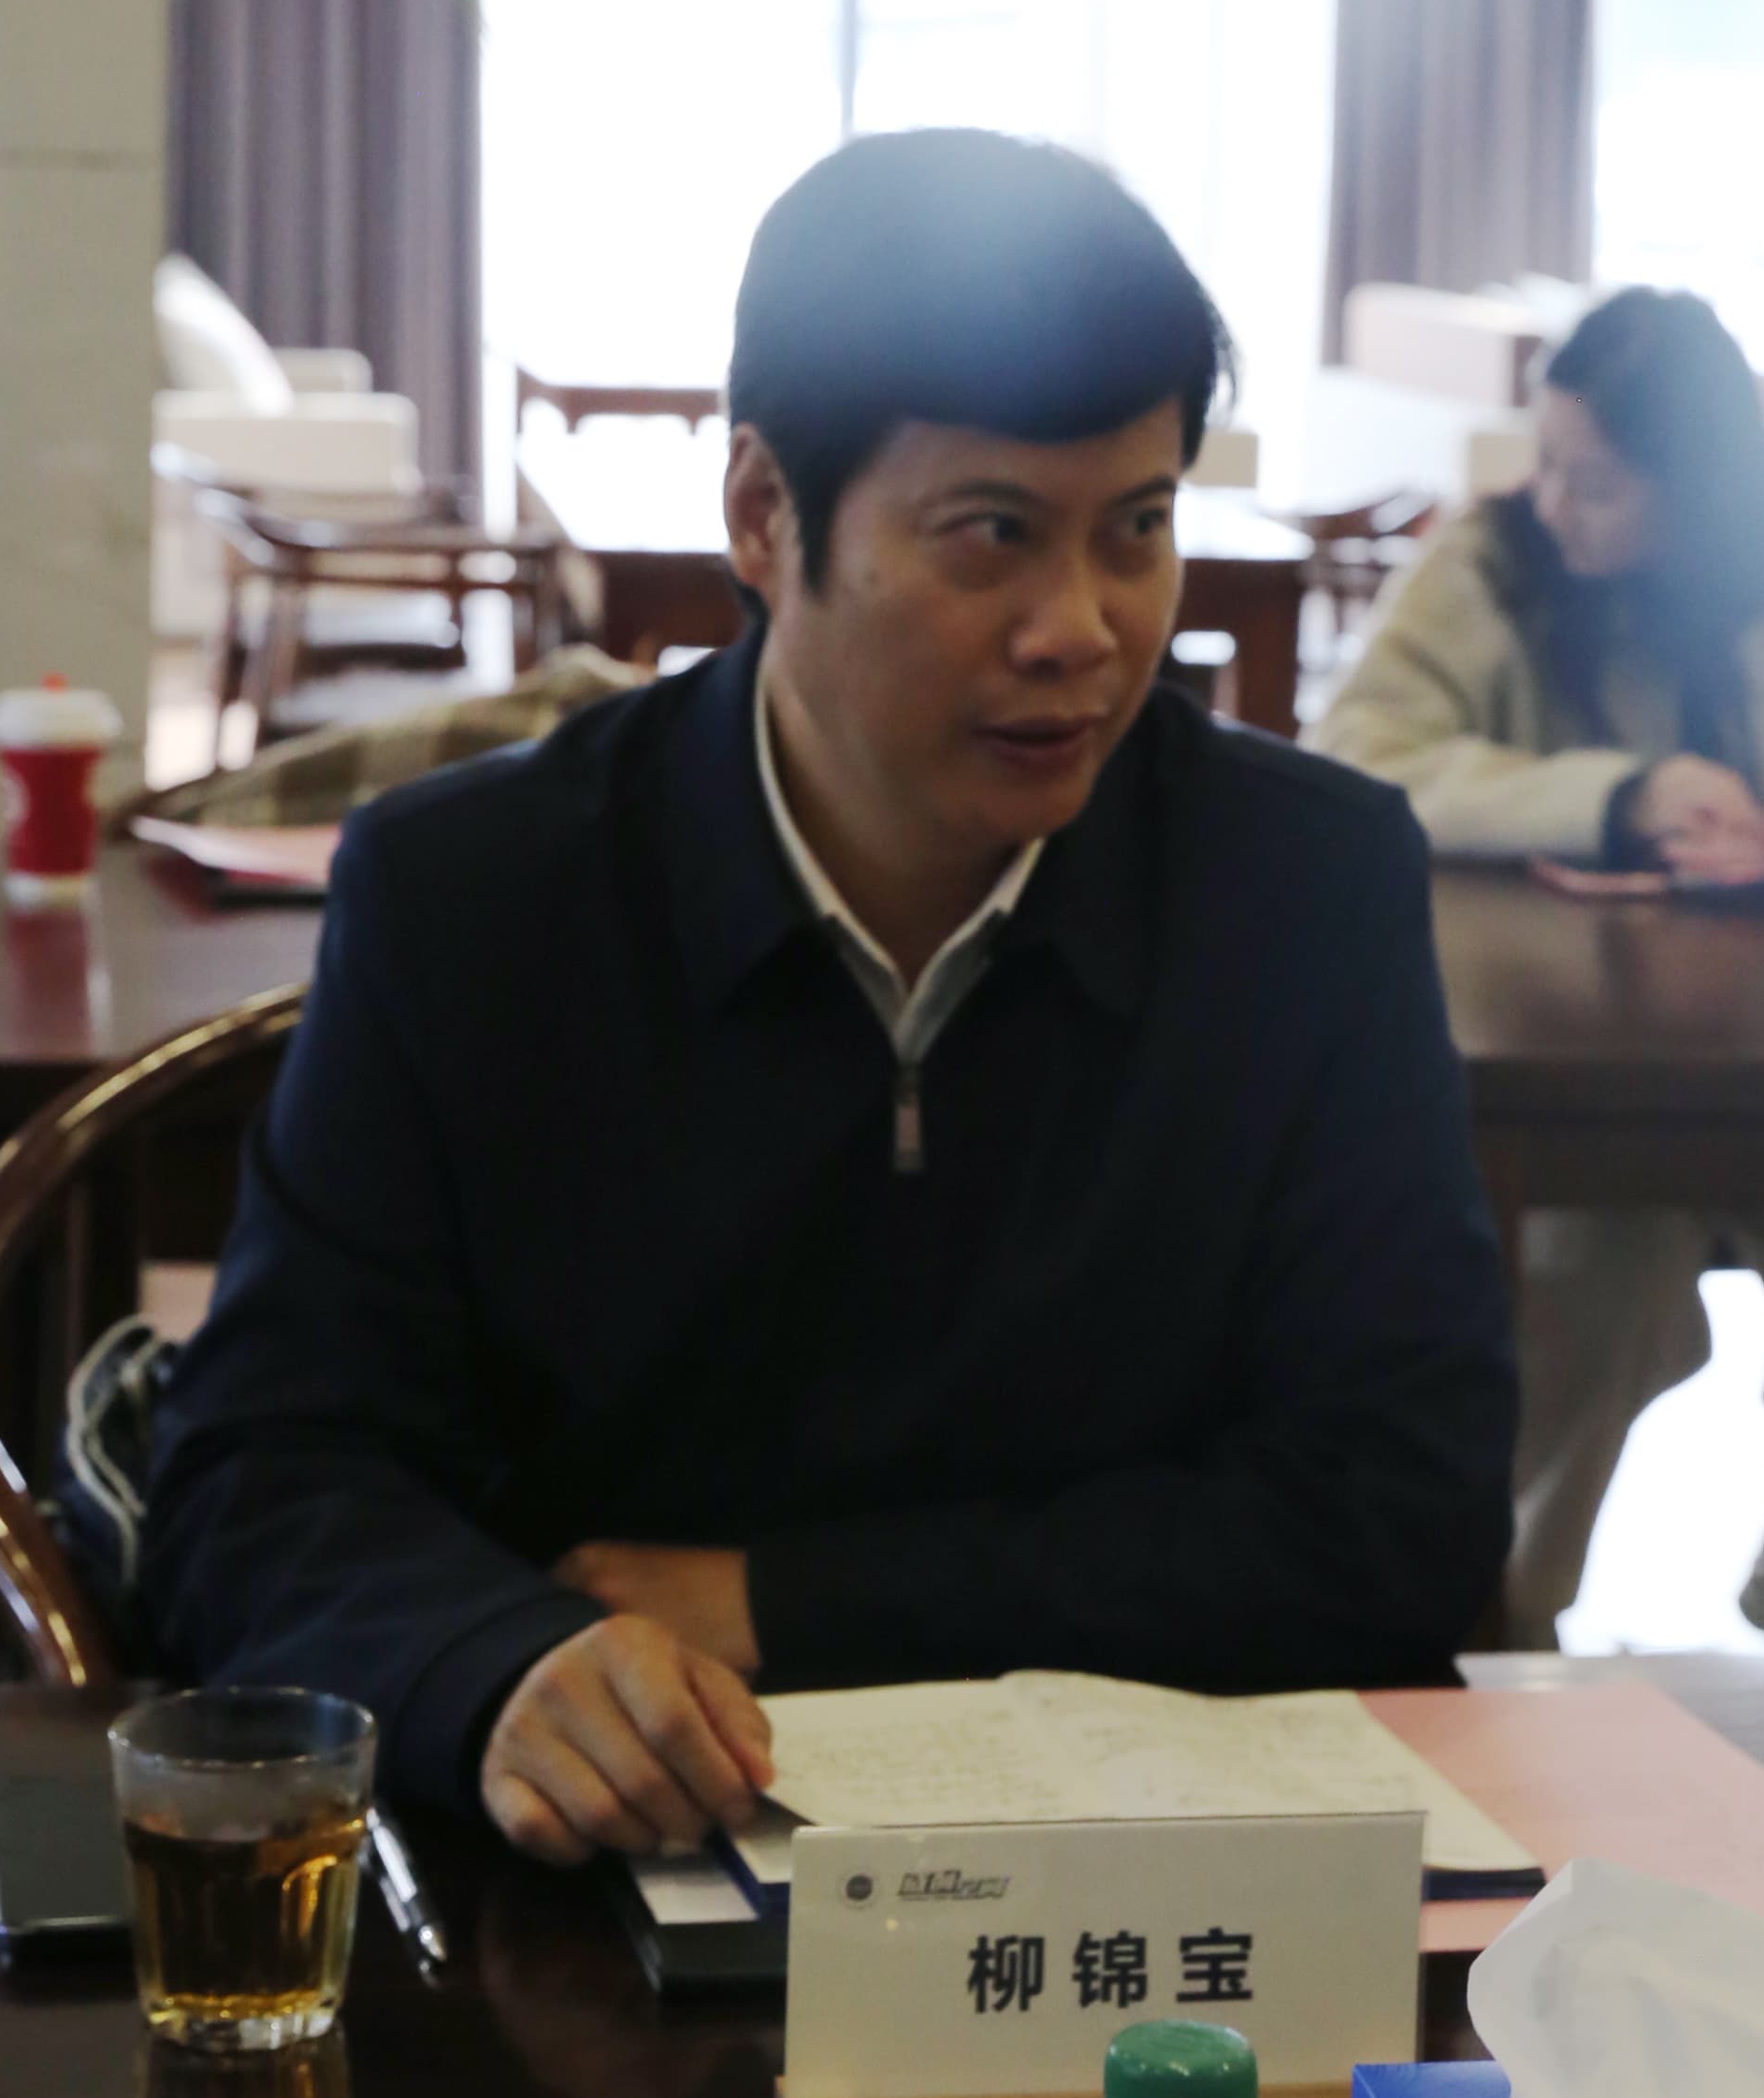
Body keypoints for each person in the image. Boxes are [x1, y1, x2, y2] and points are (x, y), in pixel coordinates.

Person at [143, 131, 1515, 1863]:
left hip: (1156, 1888)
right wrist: (495, 1665)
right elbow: (260, 1474)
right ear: (762, 515)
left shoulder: (1307, 889)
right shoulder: (477, 900)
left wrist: (780, 1600)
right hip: (604, 1889)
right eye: (992, 536)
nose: (1082, 629)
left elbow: (1404, 1508)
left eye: (1139, 530)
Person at [1318, 283, 1764, 1649]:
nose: (1555, 501)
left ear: (1702, 486)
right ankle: (1502, 1626)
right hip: (1572, 1065)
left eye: (1599, 481)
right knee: (1587, 1287)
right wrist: (1613, 797)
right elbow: (1360, 757)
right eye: (1546, 460)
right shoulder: (1495, 563)